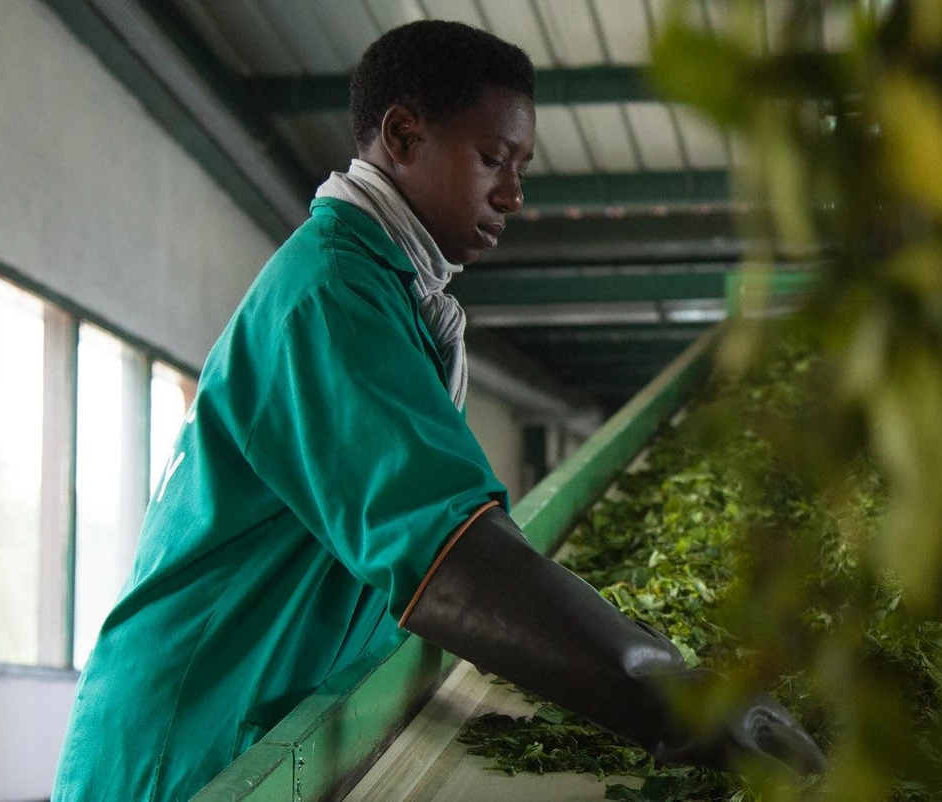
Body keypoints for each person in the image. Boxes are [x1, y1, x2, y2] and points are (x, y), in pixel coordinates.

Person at [52, 21, 822, 801]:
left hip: (233, 709)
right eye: (494, 159)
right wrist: (679, 700)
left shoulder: (382, 290)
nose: (514, 195)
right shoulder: (329, 297)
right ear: (403, 135)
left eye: (521, 168)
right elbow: (452, 559)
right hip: (181, 746)